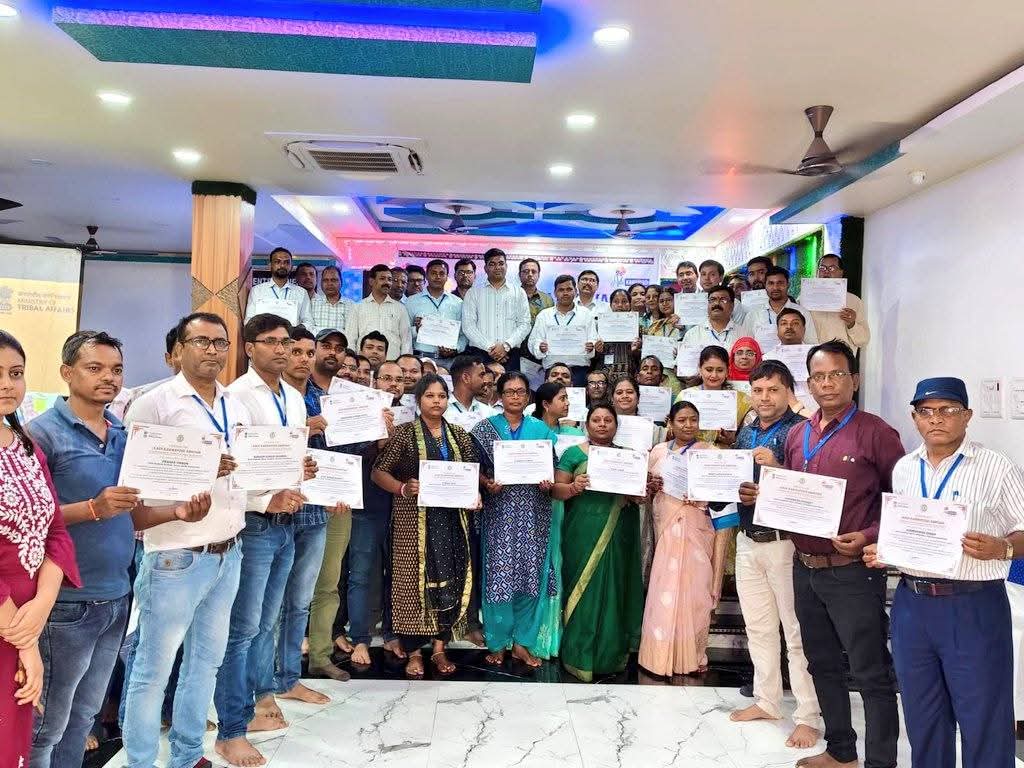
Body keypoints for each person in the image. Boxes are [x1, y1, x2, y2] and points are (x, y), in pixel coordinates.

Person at [26, 331, 207, 768]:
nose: (108, 377)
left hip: (116, 596)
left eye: (117, 370)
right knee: (46, 725)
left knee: (84, 715)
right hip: (66, 600)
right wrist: (93, 508)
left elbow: (134, 517)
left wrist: (178, 512)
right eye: (95, 368)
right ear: (67, 372)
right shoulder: (42, 435)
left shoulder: (125, 435)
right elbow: (27, 520)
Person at [738, 340, 904, 768]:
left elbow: (901, 500)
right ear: (809, 384)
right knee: (822, 664)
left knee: (870, 672)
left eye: (836, 375)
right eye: (819, 377)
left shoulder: (876, 432)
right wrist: (765, 493)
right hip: (805, 566)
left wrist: (868, 534)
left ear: (854, 380)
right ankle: (840, 751)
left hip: (852, 570)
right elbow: (794, 492)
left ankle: (880, 762)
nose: (827, 383)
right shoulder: (800, 434)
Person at [863, 377, 1024, 768]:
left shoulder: (996, 467)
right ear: (915, 418)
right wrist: (885, 551)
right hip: (912, 606)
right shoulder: (904, 469)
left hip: (973, 606)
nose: (936, 419)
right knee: (923, 718)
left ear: (967, 416)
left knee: (983, 718)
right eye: (926, 411)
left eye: (948, 410)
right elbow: (905, 532)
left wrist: (1002, 548)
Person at [120, 313, 251, 768]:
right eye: (201, 341)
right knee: (153, 671)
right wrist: (199, 471)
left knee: (205, 663)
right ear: (178, 349)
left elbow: (244, 471)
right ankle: (139, 761)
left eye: (220, 342)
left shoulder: (234, 403)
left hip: (228, 549)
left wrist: (287, 478)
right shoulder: (153, 404)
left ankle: (188, 753)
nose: (212, 350)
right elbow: (135, 480)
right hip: (176, 555)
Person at [213, 314, 320, 767]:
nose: (281, 349)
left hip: (287, 521)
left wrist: (303, 470)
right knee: (243, 628)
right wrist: (264, 497)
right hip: (254, 522)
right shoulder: (236, 396)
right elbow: (230, 467)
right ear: (249, 347)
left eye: (286, 342)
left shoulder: (293, 398)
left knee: (268, 620)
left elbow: (284, 458)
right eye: (271, 342)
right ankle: (231, 726)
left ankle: (261, 697)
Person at [727, 360, 820, 750]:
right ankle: (767, 700)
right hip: (748, 538)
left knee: (796, 632)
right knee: (759, 627)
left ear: (789, 392)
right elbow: (733, 481)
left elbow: (812, 487)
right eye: (758, 390)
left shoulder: (802, 432)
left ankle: (808, 715)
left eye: (773, 390)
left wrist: (777, 467)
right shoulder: (746, 430)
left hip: (785, 543)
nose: (764, 398)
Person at [0, 332, 82, 768]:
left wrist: (43, 603)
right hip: (8, 619)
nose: (7, 384)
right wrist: (25, 639)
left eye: (15, 373)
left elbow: (55, 531)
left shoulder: (26, 447)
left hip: (26, 614)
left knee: (14, 740)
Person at [371, 374, 480, 678]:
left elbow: (471, 474)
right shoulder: (405, 434)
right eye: (430, 396)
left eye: (442, 396)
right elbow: (379, 472)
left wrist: (475, 495)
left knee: (449, 579)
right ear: (418, 400)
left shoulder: (459, 435)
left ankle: (440, 649)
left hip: (451, 520)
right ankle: (415, 652)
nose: (436, 401)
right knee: (412, 584)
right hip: (412, 520)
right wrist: (402, 488)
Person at [275, 327, 351, 701]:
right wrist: (304, 429)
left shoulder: (328, 400)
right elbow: (258, 448)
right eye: (298, 351)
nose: (304, 359)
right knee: (278, 593)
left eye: (309, 353)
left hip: (323, 506)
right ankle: (274, 672)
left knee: (324, 586)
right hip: (279, 508)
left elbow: (345, 449)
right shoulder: (271, 398)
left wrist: (341, 491)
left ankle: (319, 657)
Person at [471, 372, 560, 667]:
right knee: (498, 578)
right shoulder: (484, 429)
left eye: (521, 392)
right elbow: (472, 467)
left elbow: (552, 467)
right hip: (498, 515)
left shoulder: (540, 429)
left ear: (528, 396)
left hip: (534, 514)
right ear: (500, 396)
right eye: (509, 392)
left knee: (530, 576)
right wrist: (486, 482)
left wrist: (547, 482)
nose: (515, 397)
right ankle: (497, 642)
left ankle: (522, 643)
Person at [552, 404, 643, 681]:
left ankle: (609, 654)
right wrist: (573, 487)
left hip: (618, 532)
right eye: (596, 419)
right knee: (583, 588)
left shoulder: (629, 456)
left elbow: (639, 497)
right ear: (587, 424)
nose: (602, 424)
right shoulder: (573, 454)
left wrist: (642, 492)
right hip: (582, 531)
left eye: (608, 420)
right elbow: (555, 490)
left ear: (616, 425)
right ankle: (578, 654)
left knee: (615, 587)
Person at [640, 400, 726, 678]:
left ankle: (692, 656)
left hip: (697, 529)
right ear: (670, 422)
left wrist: (702, 496)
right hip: (666, 528)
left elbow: (722, 497)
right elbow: (647, 492)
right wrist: (651, 486)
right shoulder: (658, 452)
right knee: (663, 590)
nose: (688, 425)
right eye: (682, 420)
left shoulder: (710, 453)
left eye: (693, 420)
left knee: (696, 592)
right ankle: (657, 657)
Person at [341, 360, 403, 666]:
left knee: (397, 574)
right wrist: (377, 444)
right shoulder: (360, 412)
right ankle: (361, 638)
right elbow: (349, 458)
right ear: (374, 381)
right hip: (365, 506)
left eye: (399, 380)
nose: (393, 384)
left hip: (402, 508)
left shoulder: (411, 417)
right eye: (387, 378)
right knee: (361, 575)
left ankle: (391, 633)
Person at [462, 248, 531, 371]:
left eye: (501, 263)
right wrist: (491, 348)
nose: (497, 267)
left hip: (511, 354)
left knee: (512, 383)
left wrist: (506, 346)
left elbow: (525, 324)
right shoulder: (473, 293)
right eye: (492, 264)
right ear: (485, 268)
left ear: (506, 266)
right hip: (480, 353)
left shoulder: (519, 292)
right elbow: (468, 326)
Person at [677, 345, 753, 447]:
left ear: (727, 371)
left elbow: (751, 435)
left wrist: (733, 440)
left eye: (720, 370)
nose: (714, 375)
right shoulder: (685, 396)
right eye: (709, 369)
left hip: (726, 454)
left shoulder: (742, 400)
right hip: (690, 452)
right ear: (700, 369)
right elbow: (673, 431)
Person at [528, 274, 596, 386]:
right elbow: (533, 342)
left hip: (579, 371)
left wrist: (591, 346)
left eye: (569, 289)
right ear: (555, 293)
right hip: (552, 371)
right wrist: (540, 347)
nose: (565, 293)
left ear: (576, 292)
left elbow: (593, 339)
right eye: (561, 290)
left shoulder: (586, 314)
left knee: (577, 398)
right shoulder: (544, 315)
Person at [346, 264, 412, 361]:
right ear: (371, 281)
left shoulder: (400, 308)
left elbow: (406, 340)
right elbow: (350, 338)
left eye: (389, 279)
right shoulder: (358, 307)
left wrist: (405, 362)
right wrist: (352, 360)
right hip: (364, 362)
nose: (387, 282)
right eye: (382, 279)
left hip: (392, 362)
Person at [808, 254, 870, 352]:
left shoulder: (853, 301)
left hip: (841, 358)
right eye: (822, 268)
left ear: (841, 273)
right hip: (813, 357)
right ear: (817, 272)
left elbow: (863, 340)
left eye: (832, 268)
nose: (826, 272)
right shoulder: (805, 299)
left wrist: (852, 324)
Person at [406, 259, 465, 362]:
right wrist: (417, 330)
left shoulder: (458, 303)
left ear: (447, 277)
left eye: (442, 273)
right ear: (427, 276)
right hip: (420, 360)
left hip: (448, 361)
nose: (438, 276)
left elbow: (464, 334)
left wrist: (456, 348)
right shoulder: (411, 302)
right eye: (433, 273)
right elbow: (403, 333)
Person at [749, 267, 818, 347]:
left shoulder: (802, 312)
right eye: (771, 283)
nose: (775, 288)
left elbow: (812, 344)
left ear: (788, 284)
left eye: (780, 283)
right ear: (765, 285)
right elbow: (745, 345)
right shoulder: (753, 315)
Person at [245, 247, 314, 328]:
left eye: (286, 262)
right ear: (270, 266)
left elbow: (308, 322)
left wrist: (296, 329)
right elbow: (248, 321)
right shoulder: (257, 291)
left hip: (292, 335)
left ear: (291, 267)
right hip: (264, 335)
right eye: (277, 262)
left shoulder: (301, 293)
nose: (282, 265)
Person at [594, 288, 640, 382]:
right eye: (616, 301)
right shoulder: (600, 326)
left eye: (624, 301)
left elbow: (642, 355)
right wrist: (597, 350)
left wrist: (636, 350)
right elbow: (593, 356)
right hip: (605, 375)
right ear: (610, 305)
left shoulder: (638, 326)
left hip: (630, 374)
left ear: (630, 304)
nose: (620, 305)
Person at [682, 285, 746, 348]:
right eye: (712, 300)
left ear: (732, 305)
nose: (717, 303)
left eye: (723, 300)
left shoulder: (743, 333)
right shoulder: (693, 334)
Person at [309, 265, 353, 337]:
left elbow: (353, 334)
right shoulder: (312, 304)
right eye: (325, 280)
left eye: (334, 280)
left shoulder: (352, 306)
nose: (329, 284)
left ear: (341, 282)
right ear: (321, 283)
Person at [518, 258, 553, 322]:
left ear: (538, 275)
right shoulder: (511, 297)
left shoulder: (548, 300)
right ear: (519, 275)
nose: (530, 274)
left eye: (533, 272)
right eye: (526, 271)